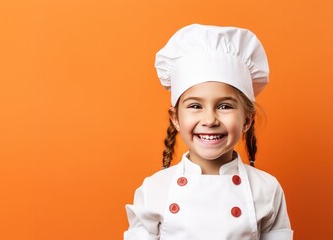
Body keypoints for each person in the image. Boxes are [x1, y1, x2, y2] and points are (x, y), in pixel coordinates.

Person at [123, 24, 293, 240]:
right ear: (176, 118)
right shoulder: (154, 189)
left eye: (225, 106)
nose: (210, 120)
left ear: (247, 120)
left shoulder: (267, 189)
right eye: (195, 106)